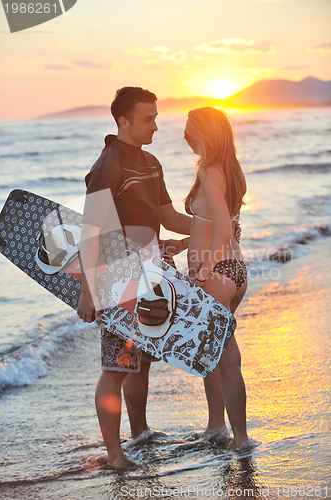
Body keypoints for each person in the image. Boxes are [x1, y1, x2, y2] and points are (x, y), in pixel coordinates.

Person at [77, 87, 191, 469]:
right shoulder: (109, 165)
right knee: (116, 365)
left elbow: (169, 216)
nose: (156, 125)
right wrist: (88, 292)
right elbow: (92, 230)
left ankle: (140, 433)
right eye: (148, 118)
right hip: (119, 279)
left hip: (153, 274)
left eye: (156, 117)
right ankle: (114, 454)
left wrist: (214, 228)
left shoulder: (151, 162)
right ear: (123, 121)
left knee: (139, 360)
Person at [184, 107, 251, 449]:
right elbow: (216, 225)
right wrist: (181, 243)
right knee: (213, 350)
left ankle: (240, 439)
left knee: (226, 357)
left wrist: (205, 271)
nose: (184, 136)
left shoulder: (211, 171)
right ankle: (215, 426)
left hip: (218, 273)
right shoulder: (229, 168)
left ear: (206, 134)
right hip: (235, 270)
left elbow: (223, 229)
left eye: (189, 130)